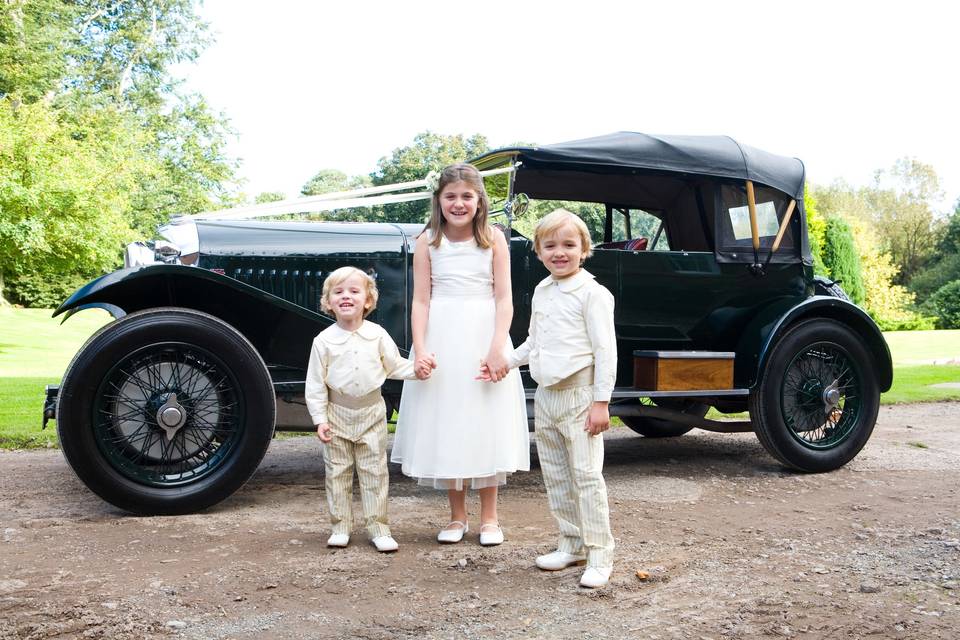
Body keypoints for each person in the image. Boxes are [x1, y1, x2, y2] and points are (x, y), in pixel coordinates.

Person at [391, 163, 529, 547]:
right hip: (443, 337)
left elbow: (504, 298)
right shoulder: (428, 241)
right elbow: (420, 300)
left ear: (479, 200)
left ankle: (489, 517)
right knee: (448, 420)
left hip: (484, 334)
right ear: (439, 200)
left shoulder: (494, 240)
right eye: (450, 196)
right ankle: (456, 516)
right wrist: (420, 348)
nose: (458, 203)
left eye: (467, 196)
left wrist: (498, 347)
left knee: (484, 420)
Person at [480, 208, 616, 588]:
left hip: (580, 395)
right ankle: (571, 543)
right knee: (556, 475)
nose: (560, 252)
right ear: (538, 252)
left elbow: (606, 352)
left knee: (586, 477)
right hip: (547, 396)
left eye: (569, 245)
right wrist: (506, 362)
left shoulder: (593, 294)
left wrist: (601, 402)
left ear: (584, 249)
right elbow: (534, 342)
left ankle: (600, 552)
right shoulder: (543, 290)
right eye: (550, 246)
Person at [305, 266, 432, 552]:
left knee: (374, 471)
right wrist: (319, 419)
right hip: (337, 412)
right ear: (328, 302)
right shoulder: (323, 341)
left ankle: (378, 527)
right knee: (337, 472)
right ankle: (340, 527)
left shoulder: (377, 335)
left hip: (372, 412)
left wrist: (417, 370)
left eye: (353, 291)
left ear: (368, 300)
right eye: (338, 292)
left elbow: (394, 365)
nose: (346, 297)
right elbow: (315, 384)